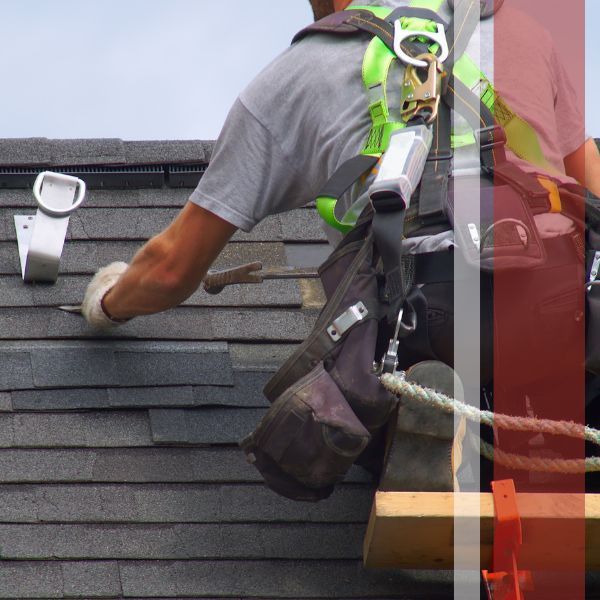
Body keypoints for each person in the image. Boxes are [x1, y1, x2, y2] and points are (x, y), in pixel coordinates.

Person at [82, 0, 600, 328]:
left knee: (326, 410)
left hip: (425, 329)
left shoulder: (298, 75)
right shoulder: (526, 34)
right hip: (567, 315)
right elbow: (594, 193)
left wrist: (107, 302)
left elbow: (172, 269)